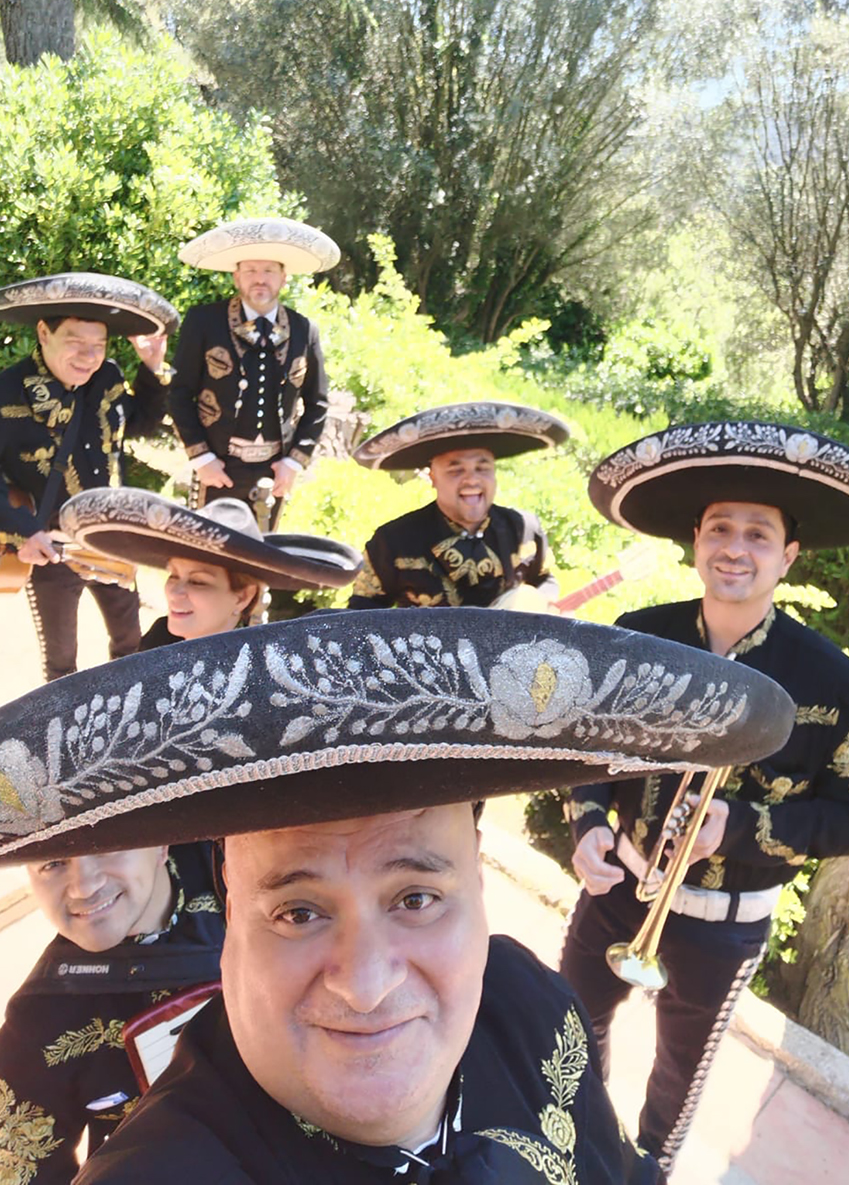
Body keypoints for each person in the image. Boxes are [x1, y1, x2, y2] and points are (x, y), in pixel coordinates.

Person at [0, 609, 795, 1183]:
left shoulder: (529, 1009)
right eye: (298, 912)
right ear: (228, 912)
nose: (365, 981)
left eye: (416, 897)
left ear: (479, 886)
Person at [560, 419, 849, 1175]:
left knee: (675, 1076)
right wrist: (587, 820)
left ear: (787, 556)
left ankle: (644, 1169)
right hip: (618, 889)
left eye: (758, 534)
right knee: (566, 1036)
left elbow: (844, 819)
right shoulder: (636, 637)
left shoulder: (832, 681)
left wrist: (740, 827)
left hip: (726, 925)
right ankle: (566, 1148)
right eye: (720, 527)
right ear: (694, 541)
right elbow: (586, 750)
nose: (735, 547)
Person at [0, 841, 225, 1183]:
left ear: (162, 843)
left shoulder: (231, 864)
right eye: (52, 863)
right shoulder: (37, 1025)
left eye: (106, 847)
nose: (85, 886)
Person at [0, 272, 178, 681]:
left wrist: (152, 367)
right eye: (76, 342)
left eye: (97, 346)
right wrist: (25, 533)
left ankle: (132, 726)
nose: (88, 356)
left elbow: (139, 424)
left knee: (133, 645)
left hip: (110, 537)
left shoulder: (108, 377)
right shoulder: (7, 390)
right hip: (49, 544)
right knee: (61, 662)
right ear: (44, 333)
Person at [170, 217, 339, 520]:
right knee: (208, 558)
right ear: (236, 277)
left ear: (284, 278)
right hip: (217, 466)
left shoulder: (304, 330)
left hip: (274, 471)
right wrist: (201, 456)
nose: (259, 279)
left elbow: (318, 404)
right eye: (250, 271)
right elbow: (179, 394)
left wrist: (295, 462)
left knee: (262, 559)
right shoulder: (203, 321)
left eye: (268, 271)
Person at [58, 487, 363, 651]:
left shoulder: (256, 668)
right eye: (174, 575)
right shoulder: (158, 640)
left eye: (199, 583)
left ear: (243, 597)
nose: (175, 591)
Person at [348, 401, 568, 609]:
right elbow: (361, 611)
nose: (472, 480)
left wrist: (539, 602)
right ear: (432, 477)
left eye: (482, 468)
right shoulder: (393, 541)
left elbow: (545, 579)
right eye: (456, 470)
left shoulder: (524, 529)